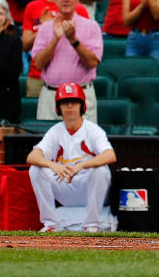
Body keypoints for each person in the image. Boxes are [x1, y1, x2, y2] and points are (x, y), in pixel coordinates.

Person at [26, 82, 116, 233]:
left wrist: (82, 165)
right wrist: (53, 165)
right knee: (36, 170)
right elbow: (32, 156)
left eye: (73, 102)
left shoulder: (92, 130)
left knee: (101, 170)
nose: (69, 107)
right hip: (65, 185)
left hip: (88, 186)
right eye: (64, 103)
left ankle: (92, 225)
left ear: (81, 106)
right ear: (58, 108)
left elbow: (110, 155)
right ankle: (51, 224)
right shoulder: (55, 131)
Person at [30, 0, 102, 123]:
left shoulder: (91, 26)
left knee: (83, 143)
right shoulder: (44, 28)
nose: (66, 0)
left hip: (81, 94)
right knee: (47, 142)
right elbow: (38, 64)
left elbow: (92, 62)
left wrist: (73, 40)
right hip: (51, 94)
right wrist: (55, 39)